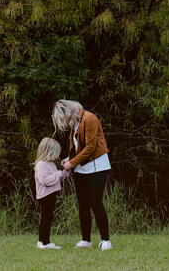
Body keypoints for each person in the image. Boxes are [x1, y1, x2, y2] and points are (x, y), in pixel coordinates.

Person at [53, 99, 112, 250]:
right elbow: (78, 147)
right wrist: (69, 158)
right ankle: (86, 240)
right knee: (83, 205)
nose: (64, 123)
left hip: (97, 167)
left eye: (62, 119)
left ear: (67, 112)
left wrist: (72, 163)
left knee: (95, 202)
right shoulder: (75, 123)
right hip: (81, 169)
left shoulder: (89, 119)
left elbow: (91, 147)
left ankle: (105, 240)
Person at [33, 137, 71, 249]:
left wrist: (65, 171)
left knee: (48, 218)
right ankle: (43, 242)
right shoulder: (41, 165)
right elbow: (45, 180)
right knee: (46, 218)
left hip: (51, 194)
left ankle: (45, 241)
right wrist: (58, 174)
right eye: (55, 153)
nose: (57, 156)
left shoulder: (51, 164)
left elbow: (57, 179)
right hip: (44, 196)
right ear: (48, 152)